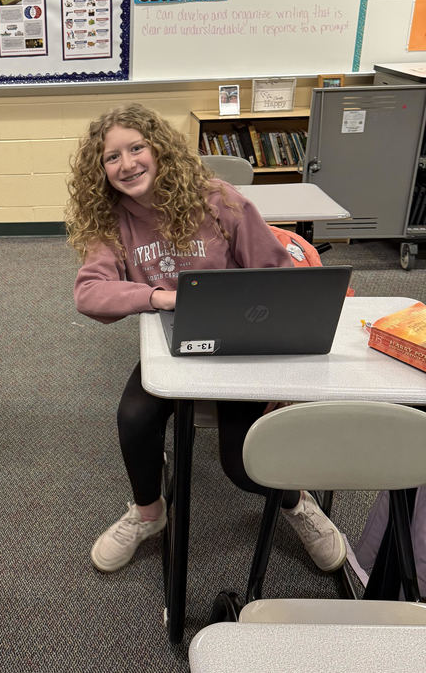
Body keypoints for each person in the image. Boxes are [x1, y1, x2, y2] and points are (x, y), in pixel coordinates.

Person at [65, 103, 345, 574]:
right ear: (101, 170)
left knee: (241, 465)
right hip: (173, 343)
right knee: (134, 418)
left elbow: (277, 275)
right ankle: (148, 514)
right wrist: (159, 297)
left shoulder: (218, 200)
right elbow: (89, 293)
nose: (127, 164)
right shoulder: (111, 219)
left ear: (159, 149)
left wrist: (269, 347)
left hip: (237, 340)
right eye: (112, 157)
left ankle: (296, 502)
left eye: (136, 148)